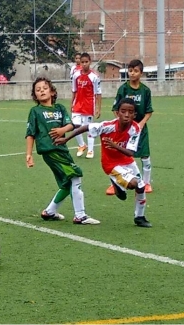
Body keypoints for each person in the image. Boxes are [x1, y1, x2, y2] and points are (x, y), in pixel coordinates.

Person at [54, 98, 152, 228]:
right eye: (123, 111)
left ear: (134, 115)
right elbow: (85, 127)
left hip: (127, 161)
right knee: (133, 184)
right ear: (117, 113)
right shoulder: (107, 126)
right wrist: (66, 139)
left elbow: (130, 153)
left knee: (141, 187)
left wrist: (114, 145)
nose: (127, 115)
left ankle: (139, 217)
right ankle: (117, 182)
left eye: (130, 112)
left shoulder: (135, 129)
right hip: (111, 164)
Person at [26, 77, 100, 225]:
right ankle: (80, 215)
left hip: (62, 150)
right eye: (38, 90)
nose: (41, 91)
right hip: (50, 151)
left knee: (67, 184)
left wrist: (62, 130)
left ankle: (49, 212)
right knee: (75, 174)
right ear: (35, 96)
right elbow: (30, 133)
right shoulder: (35, 111)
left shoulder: (60, 108)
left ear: (52, 91)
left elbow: (71, 125)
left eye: (45, 88)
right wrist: (29, 154)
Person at [106, 59, 154, 195]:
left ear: (141, 73)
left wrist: (141, 124)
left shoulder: (145, 90)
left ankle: (146, 183)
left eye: (136, 71)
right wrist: (121, 122)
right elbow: (115, 108)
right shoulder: (123, 89)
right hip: (125, 130)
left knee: (145, 155)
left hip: (140, 129)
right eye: (130, 70)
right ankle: (115, 183)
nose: (132, 73)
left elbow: (149, 111)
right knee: (119, 156)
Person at [71, 52, 101, 159]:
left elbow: (98, 93)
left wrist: (98, 108)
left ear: (90, 62)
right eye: (82, 62)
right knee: (75, 126)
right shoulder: (76, 75)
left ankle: (91, 150)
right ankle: (82, 145)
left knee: (88, 128)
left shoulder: (94, 76)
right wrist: (72, 103)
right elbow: (74, 90)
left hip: (89, 105)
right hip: (77, 105)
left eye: (86, 62)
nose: (84, 64)